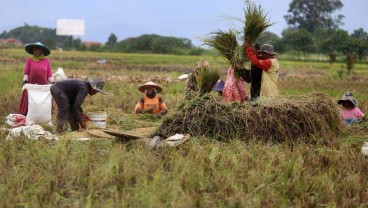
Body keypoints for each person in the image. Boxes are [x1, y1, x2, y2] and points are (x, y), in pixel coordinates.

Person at [19, 42, 54, 115]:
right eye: (35, 50)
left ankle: (42, 115)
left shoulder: (46, 62)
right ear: (33, 51)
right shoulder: (29, 60)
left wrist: (53, 82)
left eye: (39, 50)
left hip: (43, 85)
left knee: (42, 101)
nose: (37, 51)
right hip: (31, 84)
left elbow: (49, 75)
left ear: (42, 51)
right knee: (30, 100)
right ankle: (26, 114)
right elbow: (26, 72)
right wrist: (25, 81)